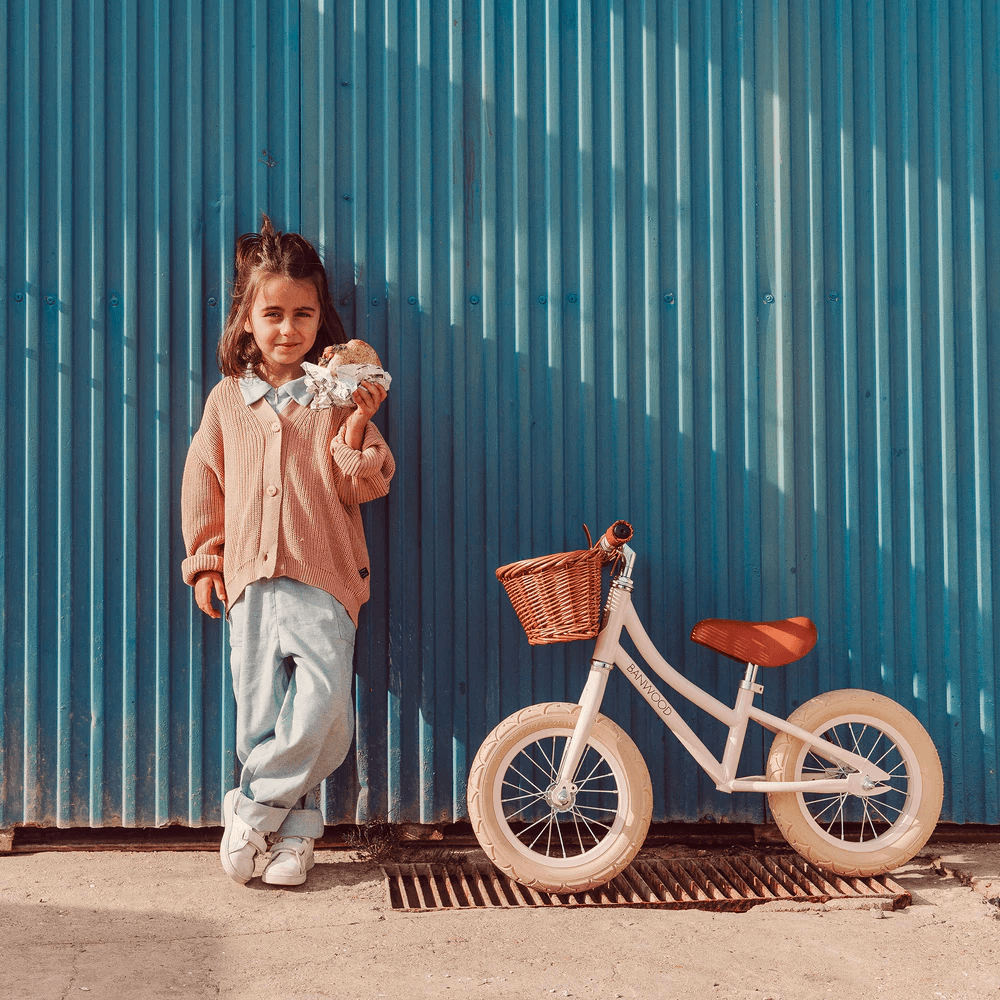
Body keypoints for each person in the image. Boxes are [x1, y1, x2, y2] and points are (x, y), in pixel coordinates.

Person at [180, 216, 394, 886]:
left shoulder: (333, 398)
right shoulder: (226, 402)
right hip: (248, 580)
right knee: (261, 715)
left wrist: (358, 420)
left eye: (303, 315)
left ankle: (253, 809)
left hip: (323, 574)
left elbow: (365, 482)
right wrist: (206, 558)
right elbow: (203, 482)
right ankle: (293, 837)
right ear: (247, 320)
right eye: (272, 314)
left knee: (324, 710)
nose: (287, 329)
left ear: (319, 320)